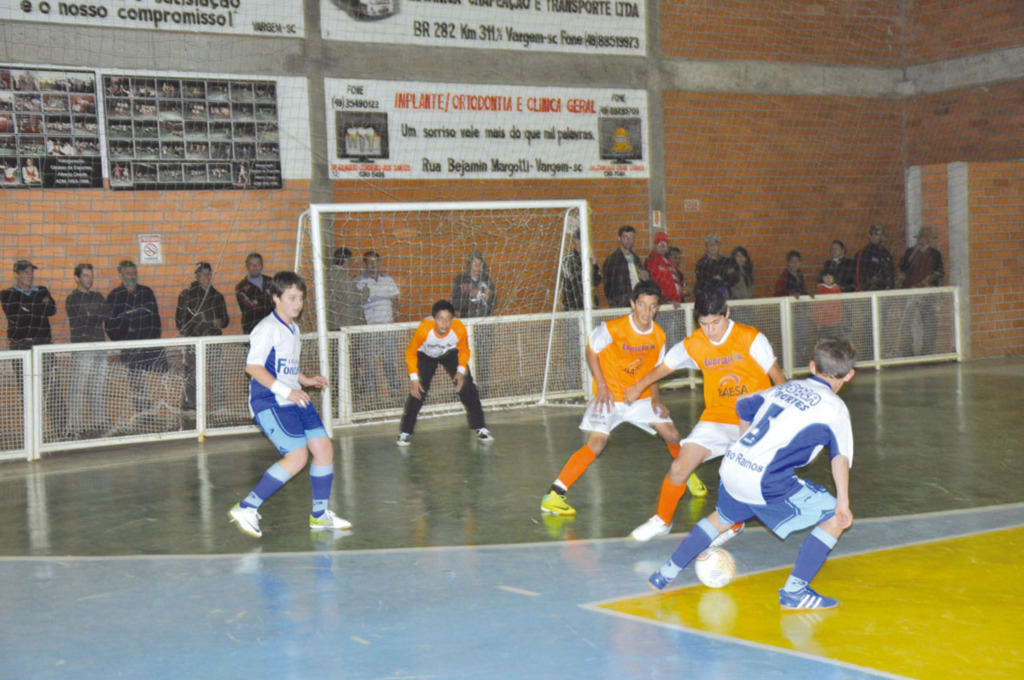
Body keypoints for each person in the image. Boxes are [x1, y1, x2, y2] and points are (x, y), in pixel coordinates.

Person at [648, 338, 857, 613]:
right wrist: (843, 503)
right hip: (765, 481)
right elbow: (839, 457)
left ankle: (665, 573)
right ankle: (795, 592)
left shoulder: (789, 386)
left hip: (733, 465)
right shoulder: (835, 409)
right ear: (849, 374)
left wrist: (746, 442)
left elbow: (744, 406)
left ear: (811, 366)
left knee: (721, 518)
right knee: (834, 516)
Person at [625, 288, 786, 542]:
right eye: (704, 324)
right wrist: (638, 386)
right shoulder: (694, 344)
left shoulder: (750, 338)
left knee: (741, 477)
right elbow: (663, 368)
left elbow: (777, 377)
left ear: (727, 314)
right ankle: (662, 520)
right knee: (679, 467)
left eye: (716, 323)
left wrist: (779, 417)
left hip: (753, 420)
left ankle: (734, 522)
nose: (711, 330)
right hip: (716, 418)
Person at [539, 281, 692, 518]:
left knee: (672, 434)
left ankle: (687, 475)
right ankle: (554, 494)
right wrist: (601, 385)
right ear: (633, 304)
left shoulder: (659, 335)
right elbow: (591, 350)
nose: (646, 311)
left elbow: (655, 369)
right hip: (609, 396)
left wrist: (655, 398)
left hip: (639, 398)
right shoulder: (614, 328)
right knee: (597, 444)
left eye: (652, 306)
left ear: (657, 308)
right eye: (642, 305)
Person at [228, 271, 351, 539]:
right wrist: (288, 391)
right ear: (276, 297)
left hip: (295, 397)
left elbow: (286, 368)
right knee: (298, 457)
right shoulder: (265, 329)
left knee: (324, 449)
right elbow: (253, 367)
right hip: (269, 401)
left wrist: (305, 380)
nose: (298, 303)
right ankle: (247, 507)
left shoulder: (293, 328)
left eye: (301, 298)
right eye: (292, 297)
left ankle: (319, 516)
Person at [396, 299, 492, 446]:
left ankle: (481, 428)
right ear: (434, 319)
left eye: (448, 319)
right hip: (426, 355)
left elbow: (464, 350)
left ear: (452, 319)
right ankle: (405, 432)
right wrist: (414, 379)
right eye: (440, 319)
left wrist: (460, 372)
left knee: (467, 386)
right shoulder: (424, 329)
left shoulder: (458, 328)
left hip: (449, 353)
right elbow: (410, 353)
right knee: (418, 391)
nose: (444, 324)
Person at [105, 260, 166, 414]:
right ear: (120, 275)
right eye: (128, 273)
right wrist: (122, 341)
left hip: (150, 344)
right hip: (130, 347)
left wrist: (154, 340)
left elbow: (156, 319)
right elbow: (110, 324)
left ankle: (160, 411)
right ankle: (144, 416)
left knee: (160, 377)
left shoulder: (147, 292)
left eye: (134, 272)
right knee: (136, 381)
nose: (131, 276)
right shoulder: (114, 296)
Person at [175, 262, 230, 413]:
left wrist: (220, 322)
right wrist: (194, 332)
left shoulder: (217, 296)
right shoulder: (186, 295)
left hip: (213, 342)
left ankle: (219, 409)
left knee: (217, 374)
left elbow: (226, 320)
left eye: (208, 273)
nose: (206, 276)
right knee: (192, 376)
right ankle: (191, 409)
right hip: (194, 342)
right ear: (196, 276)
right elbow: (180, 322)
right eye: (202, 273)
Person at [65, 263, 110, 437]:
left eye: (91, 276)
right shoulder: (72, 299)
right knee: (78, 387)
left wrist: (93, 315)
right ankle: (73, 427)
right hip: (82, 346)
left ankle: (99, 424)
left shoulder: (98, 296)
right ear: (76, 278)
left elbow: (106, 314)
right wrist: (94, 315)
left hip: (100, 345)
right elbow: (83, 319)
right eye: (85, 276)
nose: (89, 279)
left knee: (97, 387)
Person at [898, 227, 945, 355]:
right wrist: (914, 253)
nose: (924, 241)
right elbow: (902, 267)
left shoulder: (935, 254)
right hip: (909, 291)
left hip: (926, 292)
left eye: (927, 238)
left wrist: (930, 281)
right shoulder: (910, 252)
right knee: (906, 323)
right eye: (922, 238)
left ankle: (927, 352)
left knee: (929, 322)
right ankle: (907, 352)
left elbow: (940, 272)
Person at [2, 260, 57, 350]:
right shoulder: (8, 294)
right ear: (16, 275)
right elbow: (15, 316)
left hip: (43, 342)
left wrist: (26, 307)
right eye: (25, 272)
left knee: (48, 364)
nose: (30, 275)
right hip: (20, 343)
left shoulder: (42, 290)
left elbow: (52, 310)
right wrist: (41, 306)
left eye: (31, 272)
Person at [326, 247, 367, 330]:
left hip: (331, 321)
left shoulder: (327, 274)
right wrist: (365, 292)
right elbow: (351, 298)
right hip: (345, 322)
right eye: (350, 260)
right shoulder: (342, 275)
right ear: (345, 260)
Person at [561, 226, 601, 311]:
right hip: (573, 306)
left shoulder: (590, 257)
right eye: (579, 239)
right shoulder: (567, 258)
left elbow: (597, 280)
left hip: (590, 305)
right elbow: (574, 278)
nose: (582, 242)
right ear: (575, 240)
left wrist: (594, 264)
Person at [602, 225, 642, 308]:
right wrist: (617, 303)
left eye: (631, 237)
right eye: (625, 237)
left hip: (637, 302)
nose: (629, 240)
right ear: (619, 239)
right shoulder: (612, 261)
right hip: (621, 305)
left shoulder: (637, 259)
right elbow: (608, 288)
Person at [356, 250, 400, 324]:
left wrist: (395, 319)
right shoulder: (359, 281)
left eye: (376, 261)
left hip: (388, 323)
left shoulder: (388, 279)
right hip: (370, 325)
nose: (373, 264)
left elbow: (395, 300)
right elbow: (357, 304)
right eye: (370, 262)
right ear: (365, 264)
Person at [235, 252, 274, 334]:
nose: (255, 267)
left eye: (258, 264)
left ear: (262, 266)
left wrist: (259, 300)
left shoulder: (272, 282)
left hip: (273, 327)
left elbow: (279, 303)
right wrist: (269, 299)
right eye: (251, 264)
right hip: (252, 329)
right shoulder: (241, 287)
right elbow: (252, 308)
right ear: (247, 267)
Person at [451, 250, 497, 318]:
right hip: (467, 320)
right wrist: (468, 296)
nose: (477, 267)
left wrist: (488, 298)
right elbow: (454, 303)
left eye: (479, 264)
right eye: (474, 263)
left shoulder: (487, 280)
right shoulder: (460, 280)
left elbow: (494, 300)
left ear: (483, 265)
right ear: (470, 264)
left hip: (484, 320)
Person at [646, 233, 684, 307]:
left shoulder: (668, 261)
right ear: (654, 245)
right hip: (663, 306)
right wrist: (667, 301)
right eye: (660, 244)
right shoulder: (652, 261)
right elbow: (654, 285)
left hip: (674, 304)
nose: (663, 247)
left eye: (665, 244)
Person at [854, 225, 896, 292]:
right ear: (870, 236)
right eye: (876, 234)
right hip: (870, 292)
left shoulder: (887, 254)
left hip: (885, 292)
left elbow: (892, 274)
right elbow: (858, 275)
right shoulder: (864, 253)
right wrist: (862, 292)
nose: (879, 237)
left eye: (881, 234)